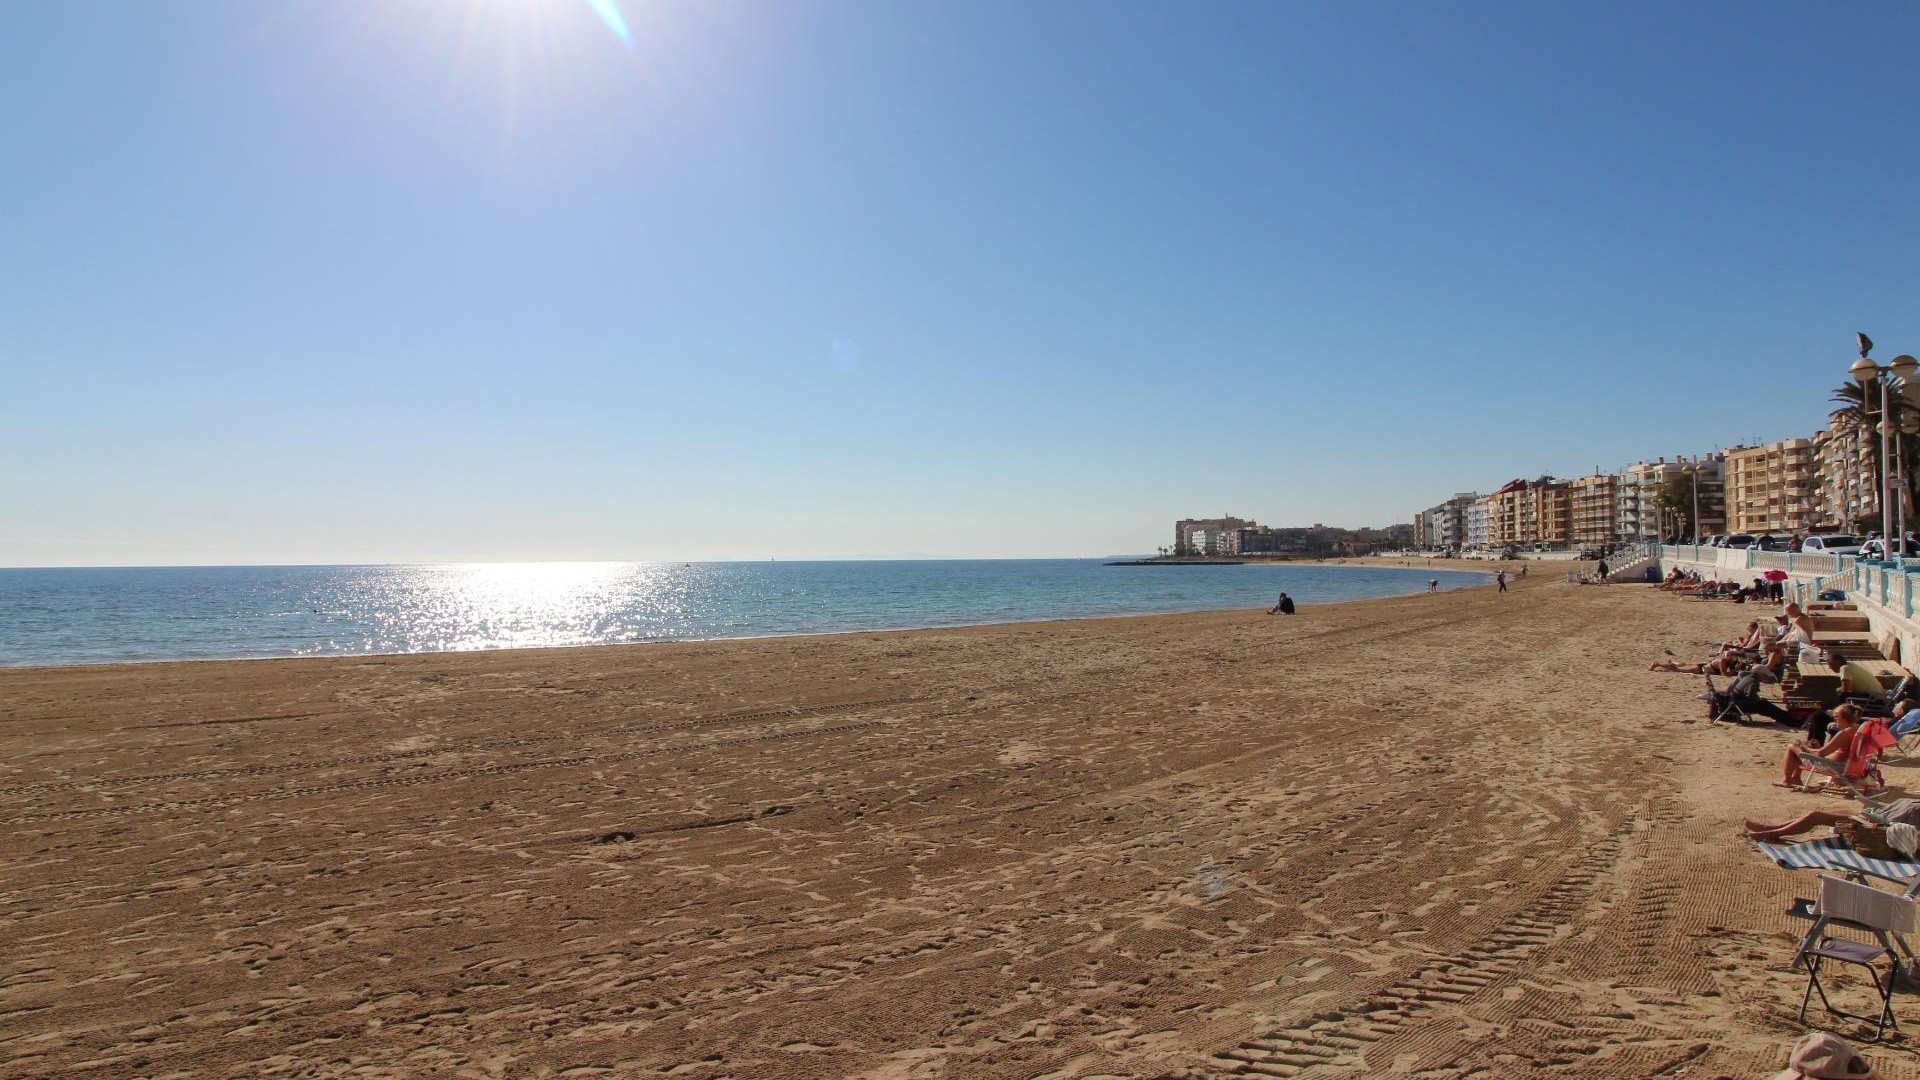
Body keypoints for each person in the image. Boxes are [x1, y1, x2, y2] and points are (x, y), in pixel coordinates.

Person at [1776, 703, 1861, 789]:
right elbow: (1839, 751)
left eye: (1836, 717)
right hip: (1847, 766)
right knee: (1805, 746)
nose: (1834, 720)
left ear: (1844, 718)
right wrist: (1817, 748)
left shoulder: (1843, 734)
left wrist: (1805, 748)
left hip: (1833, 767)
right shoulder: (1857, 731)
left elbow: (1821, 754)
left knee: (1793, 745)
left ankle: (1787, 780)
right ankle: (1796, 778)